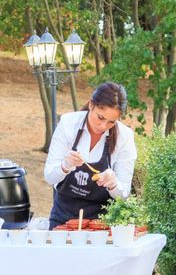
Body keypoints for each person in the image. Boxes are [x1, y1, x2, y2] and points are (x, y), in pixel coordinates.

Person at [44, 82, 137, 229]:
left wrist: (113, 183)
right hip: (63, 219)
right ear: (91, 104)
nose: (103, 126)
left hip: (101, 223)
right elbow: (50, 177)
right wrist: (65, 165)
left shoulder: (124, 137)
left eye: (111, 122)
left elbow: (123, 195)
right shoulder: (68, 124)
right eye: (100, 117)